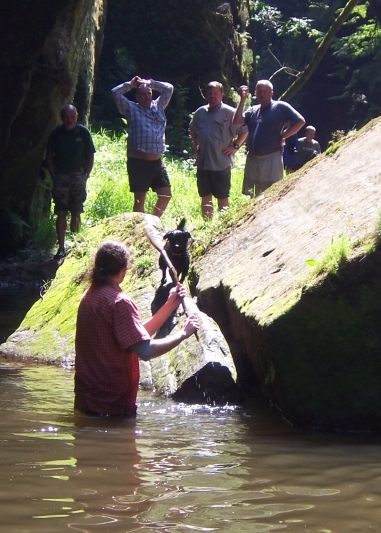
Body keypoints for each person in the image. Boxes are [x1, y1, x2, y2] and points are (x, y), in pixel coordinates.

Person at [74, 240, 200, 417]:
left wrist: (170, 305)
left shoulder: (89, 296)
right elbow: (145, 351)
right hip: (113, 407)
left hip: (87, 402)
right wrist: (182, 334)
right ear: (123, 269)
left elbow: (135, 336)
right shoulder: (120, 302)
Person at [111, 76, 174, 216]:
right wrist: (130, 84)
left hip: (157, 162)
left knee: (165, 195)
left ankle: (153, 222)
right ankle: (139, 226)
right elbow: (114, 92)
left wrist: (149, 82)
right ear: (137, 97)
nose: (147, 97)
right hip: (138, 162)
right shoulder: (130, 109)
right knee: (140, 199)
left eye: (149, 93)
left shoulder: (159, 106)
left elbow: (169, 88)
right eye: (143, 94)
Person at [232, 80, 305, 197]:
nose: (262, 94)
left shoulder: (280, 107)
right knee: (253, 194)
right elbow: (237, 121)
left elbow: (300, 121)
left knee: (272, 193)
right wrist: (242, 100)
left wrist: (283, 135)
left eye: (265, 91)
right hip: (252, 159)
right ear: (255, 93)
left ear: (271, 93)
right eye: (259, 91)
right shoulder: (253, 110)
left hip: (271, 158)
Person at [189, 81, 248, 219]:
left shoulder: (230, 112)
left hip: (221, 162)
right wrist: (196, 145)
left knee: (222, 196)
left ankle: (224, 223)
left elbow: (244, 130)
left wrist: (235, 146)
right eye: (210, 93)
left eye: (215, 93)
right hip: (203, 162)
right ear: (206, 95)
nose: (212, 96)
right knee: (205, 196)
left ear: (222, 95)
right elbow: (192, 130)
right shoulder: (200, 112)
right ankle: (207, 224)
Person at [46, 104, 95, 259]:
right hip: (60, 176)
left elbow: (90, 155)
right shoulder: (55, 133)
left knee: (76, 210)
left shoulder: (83, 132)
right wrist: (54, 176)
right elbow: (49, 156)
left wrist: (86, 174)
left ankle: (74, 247)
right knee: (61, 211)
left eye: (72, 117)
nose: (69, 120)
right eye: (66, 117)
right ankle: (61, 248)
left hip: (78, 176)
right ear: (62, 117)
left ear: (77, 116)